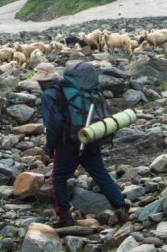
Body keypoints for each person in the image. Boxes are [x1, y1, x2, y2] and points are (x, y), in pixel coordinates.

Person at [33, 62, 130, 228]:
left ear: (41, 81)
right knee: (100, 173)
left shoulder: (49, 95)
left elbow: (53, 125)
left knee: (59, 178)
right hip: (89, 135)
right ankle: (120, 206)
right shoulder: (71, 88)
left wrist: (49, 146)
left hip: (69, 143)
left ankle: (64, 216)